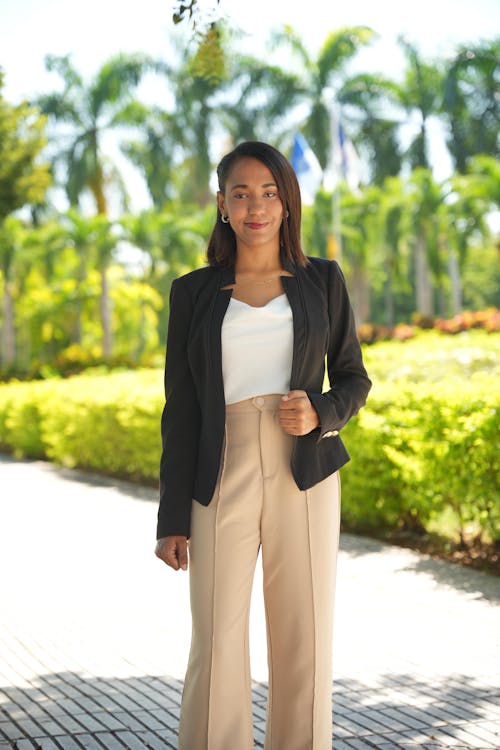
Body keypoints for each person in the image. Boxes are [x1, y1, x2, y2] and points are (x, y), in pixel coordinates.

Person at [155, 140, 371, 750]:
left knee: (303, 637)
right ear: (221, 204)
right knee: (217, 638)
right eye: (242, 193)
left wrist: (323, 411)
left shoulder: (321, 280)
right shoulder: (193, 292)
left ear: (287, 199)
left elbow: (354, 378)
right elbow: (182, 409)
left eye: (270, 192)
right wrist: (172, 517)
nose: (257, 206)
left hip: (304, 470)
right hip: (218, 467)